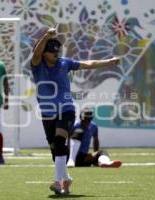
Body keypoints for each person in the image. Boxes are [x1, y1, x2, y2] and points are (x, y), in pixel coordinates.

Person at [31, 27, 120, 195]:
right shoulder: (37, 65)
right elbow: (36, 52)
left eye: (57, 50)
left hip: (66, 109)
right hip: (47, 112)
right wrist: (47, 35)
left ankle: (58, 182)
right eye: (52, 51)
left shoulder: (65, 63)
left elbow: (89, 64)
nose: (56, 53)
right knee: (54, 150)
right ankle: (66, 178)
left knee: (59, 142)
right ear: (44, 52)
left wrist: (109, 61)